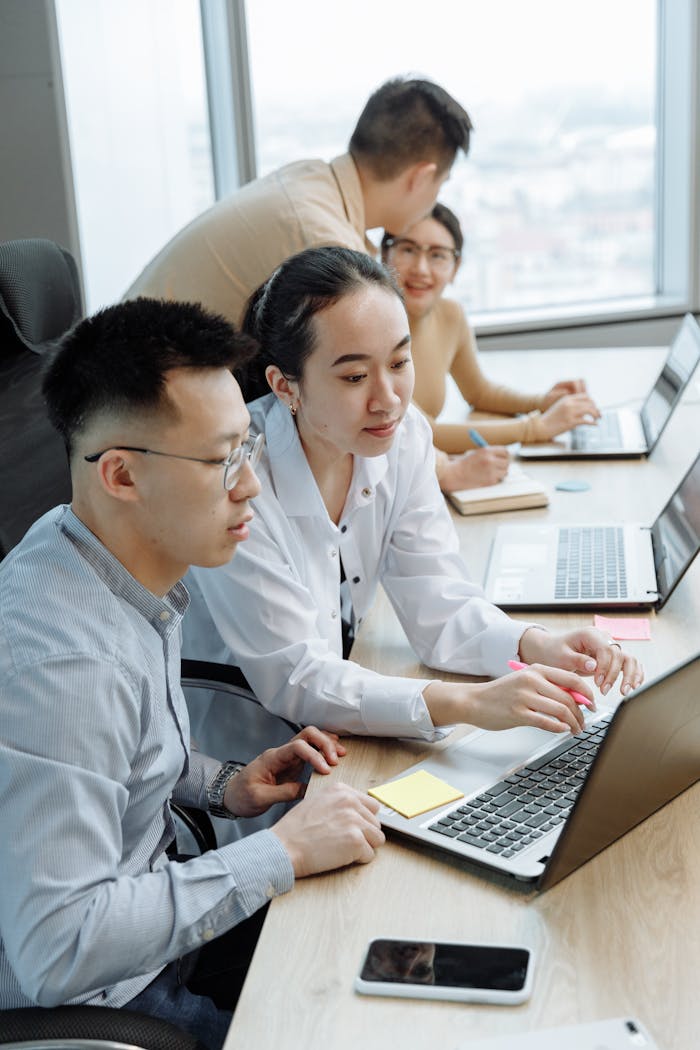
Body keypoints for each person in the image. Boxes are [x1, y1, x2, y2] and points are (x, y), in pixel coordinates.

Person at [0, 298, 385, 1050]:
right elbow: (60, 947)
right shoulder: (66, 665)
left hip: (157, 922)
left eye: (250, 448)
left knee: (373, 941)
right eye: (221, 461)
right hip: (106, 998)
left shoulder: (91, 548)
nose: (251, 487)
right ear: (120, 474)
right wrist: (281, 851)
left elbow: (117, 755)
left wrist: (223, 786)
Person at [183, 246, 643, 750]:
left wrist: (536, 646)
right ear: (284, 385)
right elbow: (297, 675)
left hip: (340, 726)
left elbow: (436, 599)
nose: (389, 398)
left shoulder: (403, 438)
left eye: (400, 361)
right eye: (355, 376)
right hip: (245, 752)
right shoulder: (236, 480)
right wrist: (470, 704)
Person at [124, 77, 473, 326]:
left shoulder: (309, 180)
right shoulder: (323, 239)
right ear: (421, 177)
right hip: (146, 405)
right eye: (441, 183)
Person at [381, 203, 602, 493]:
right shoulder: (377, 329)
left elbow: (479, 392)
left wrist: (542, 402)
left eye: (438, 256)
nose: (421, 269)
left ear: (455, 267)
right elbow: (424, 432)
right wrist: (536, 429)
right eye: (408, 250)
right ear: (385, 254)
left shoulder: (450, 315)